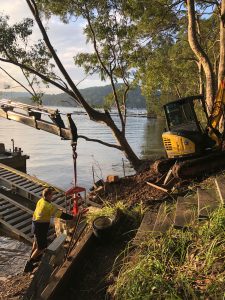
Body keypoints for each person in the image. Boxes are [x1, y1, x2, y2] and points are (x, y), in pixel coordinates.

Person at [24, 187, 75, 273]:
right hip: (41, 227)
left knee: (36, 243)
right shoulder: (48, 206)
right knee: (41, 247)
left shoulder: (41, 201)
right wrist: (72, 217)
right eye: (51, 195)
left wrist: (57, 210)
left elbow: (53, 210)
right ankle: (29, 265)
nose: (52, 197)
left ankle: (33, 259)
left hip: (34, 223)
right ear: (47, 195)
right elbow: (60, 215)